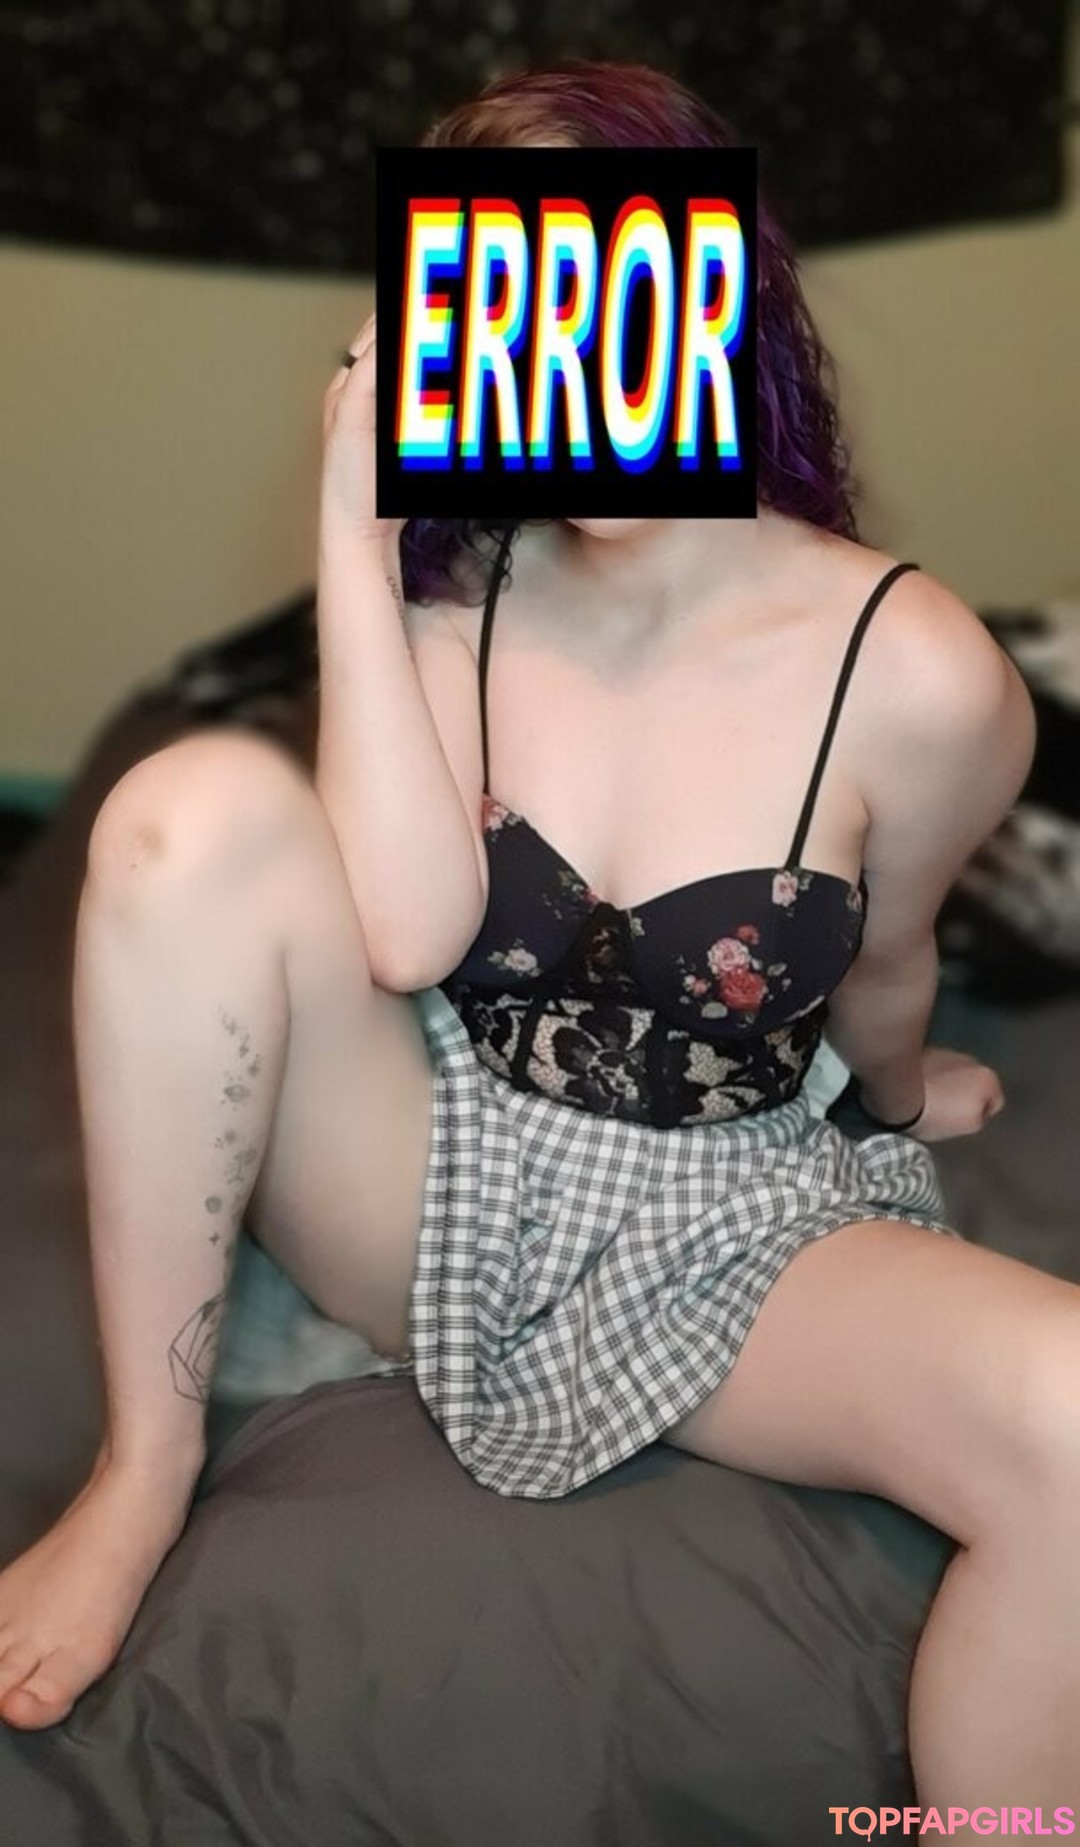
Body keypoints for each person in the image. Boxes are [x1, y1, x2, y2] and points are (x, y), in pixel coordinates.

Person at [0, 51, 1068, 1829]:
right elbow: (410, 931)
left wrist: (898, 1094)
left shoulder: (924, 675)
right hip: (435, 1166)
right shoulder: (461, 597)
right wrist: (358, 527)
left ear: (727, 298)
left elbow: (890, 961)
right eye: (517, 299)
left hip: (731, 1226)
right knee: (186, 807)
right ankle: (141, 1472)